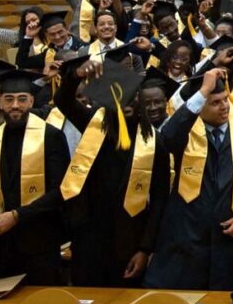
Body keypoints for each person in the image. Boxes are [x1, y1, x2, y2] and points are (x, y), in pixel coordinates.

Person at [56, 54, 171, 287]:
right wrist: (76, 75)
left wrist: (145, 249)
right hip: (89, 235)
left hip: (129, 239)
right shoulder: (93, 125)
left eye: (132, 96)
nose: (126, 102)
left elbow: (160, 198)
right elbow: (63, 101)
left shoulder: (154, 141)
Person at [145, 69, 233, 290]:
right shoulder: (185, 135)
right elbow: (167, 137)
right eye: (215, 102)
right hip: (187, 238)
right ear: (200, 107)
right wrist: (203, 90)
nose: (224, 106)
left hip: (231, 240)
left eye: (225, 99)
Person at [0, 70, 70, 285]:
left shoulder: (51, 136)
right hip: (2, 244)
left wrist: (17, 216)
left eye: (22, 99)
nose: (15, 105)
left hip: (40, 240)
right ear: (1, 103)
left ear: (31, 101)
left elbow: (60, 191)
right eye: (9, 99)